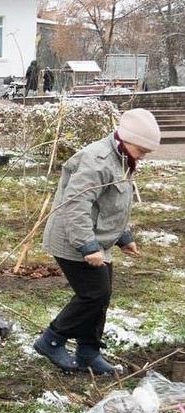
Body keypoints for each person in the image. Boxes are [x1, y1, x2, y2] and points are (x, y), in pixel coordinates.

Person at [35, 109, 161, 376]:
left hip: (98, 238)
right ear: (126, 139)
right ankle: (52, 340)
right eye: (142, 149)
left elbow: (112, 204)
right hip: (74, 237)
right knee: (94, 294)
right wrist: (87, 246)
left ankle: (88, 351)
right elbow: (76, 204)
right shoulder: (98, 160)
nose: (143, 156)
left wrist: (123, 236)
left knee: (102, 296)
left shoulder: (123, 158)